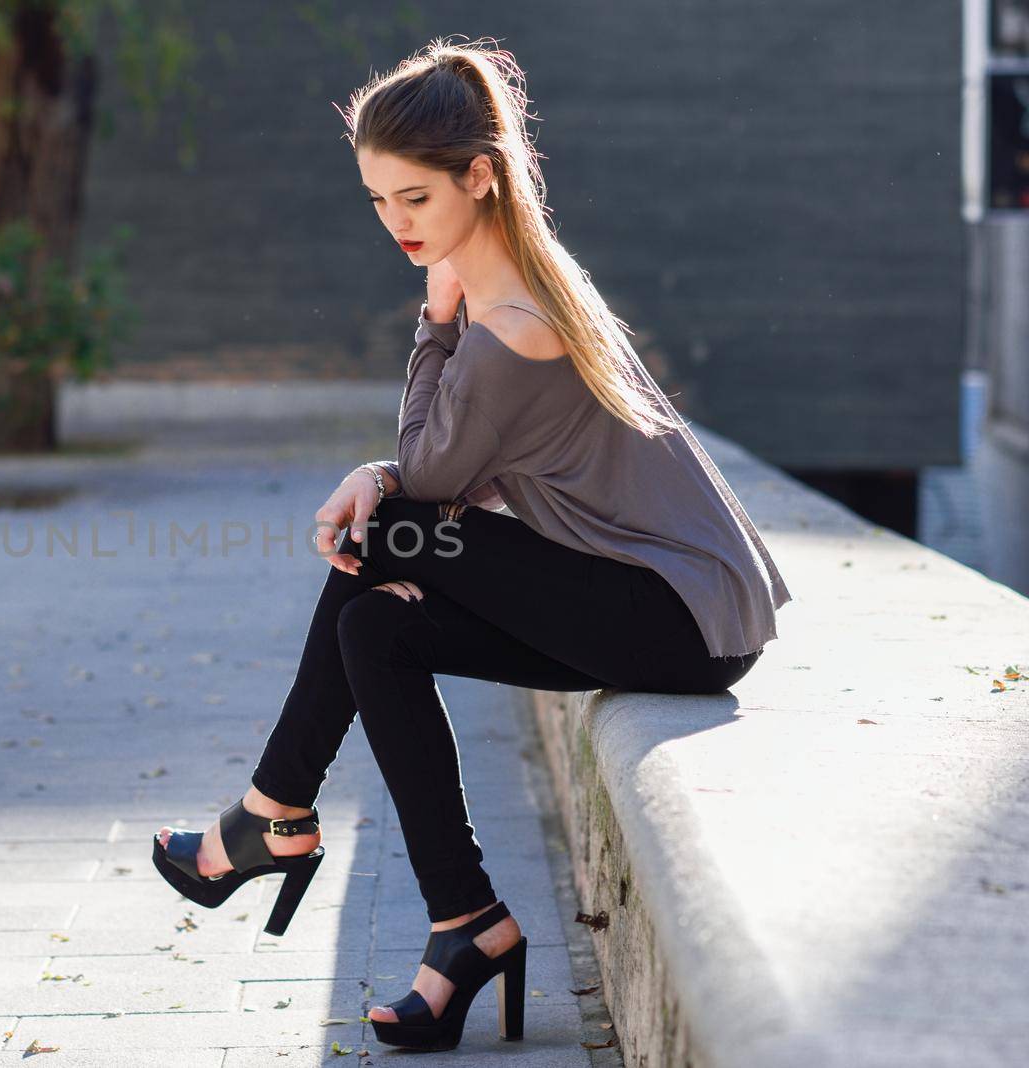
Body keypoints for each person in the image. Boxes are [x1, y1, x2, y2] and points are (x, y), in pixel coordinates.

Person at [152, 36, 792, 1053]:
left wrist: (428, 331)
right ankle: (466, 926)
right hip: (642, 603)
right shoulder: (523, 294)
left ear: (479, 176)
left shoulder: (510, 318)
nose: (396, 224)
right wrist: (388, 472)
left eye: (415, 199)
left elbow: (433, 476)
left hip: (673, 617)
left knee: (389, 530)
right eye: (377, 202)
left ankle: (270, 815)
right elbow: (454, 471)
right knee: (375, 631)